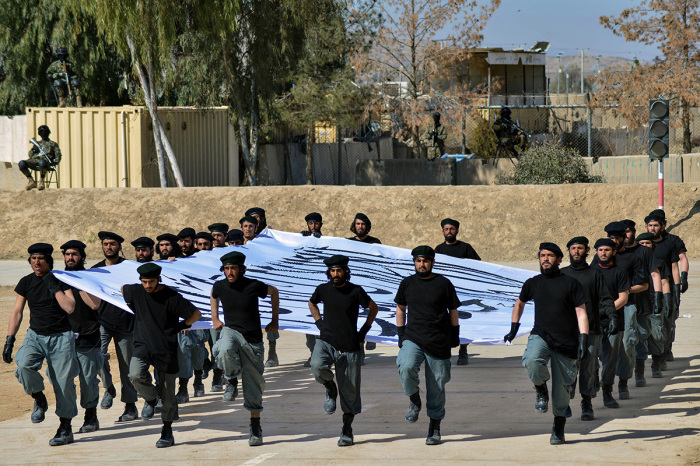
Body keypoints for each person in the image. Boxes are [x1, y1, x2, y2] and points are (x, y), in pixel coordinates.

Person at [504, 242, 588, 445]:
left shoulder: (571, 283)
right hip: (541, 334)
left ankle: (558, 427)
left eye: (550, 255)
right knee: (532, 360)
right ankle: (540, 388)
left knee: (561, 393)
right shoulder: (533, 283)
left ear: (559, 259)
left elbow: (581, 312)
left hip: (566, 340)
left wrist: (583, 338)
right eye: (542, 255)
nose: (545, 259)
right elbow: (519, 303)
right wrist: (514, 327)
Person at [4, 243, 79, 446]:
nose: (37, 262)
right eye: (33, 259)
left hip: (61, 337)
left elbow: (70, 308)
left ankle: (65, 427)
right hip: (35, 335)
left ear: (49, 260)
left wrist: (54, 286)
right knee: (24, 365)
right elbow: (17, 311)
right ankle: (39, 397)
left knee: (63, 383)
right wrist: (9, 339)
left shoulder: (61, 280)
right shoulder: (26, 282)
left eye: (41, 258)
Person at [124, 263, 201, 448]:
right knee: (134, 374)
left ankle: (167, 430)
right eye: (144, 282)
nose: (147, 285)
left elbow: (195, 314)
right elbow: (123, 289)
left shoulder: (171, 297)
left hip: (165, 347)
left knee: (168, 393)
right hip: (143, 344)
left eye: (151, 282)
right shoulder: (135, 291)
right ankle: (151, 398)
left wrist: (182, 326)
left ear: (159, 279)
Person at [210, 251, 280, 446]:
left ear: (241, 269)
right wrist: (215, 317)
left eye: (233, 268)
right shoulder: (220, 285)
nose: (230, 272)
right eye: (226, 269)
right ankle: (231, 378)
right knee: (223, 349)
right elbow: (213, 295)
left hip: (253, 341)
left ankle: (255, 425)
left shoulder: (253, 285)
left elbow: (274, 292)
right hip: (232, 331)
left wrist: (275, 320)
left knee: (253, 387)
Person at [308, 255, 378, 446]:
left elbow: (373, 308)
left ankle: (347, 429)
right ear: (328, 273)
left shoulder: (356, 291)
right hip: (326, 341)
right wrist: (319, 322)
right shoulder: (323, 289)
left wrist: (364, 330)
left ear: (346, 271)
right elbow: (311, 302)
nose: (336, 274)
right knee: (316, 366)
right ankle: (330, 387)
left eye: (339, 271)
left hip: (350, 345)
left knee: (350, 392)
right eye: (333, 271)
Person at [395, 245, 461, 445]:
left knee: (437, 386)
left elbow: (453, 311)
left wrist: (455, 335)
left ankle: (434, 426)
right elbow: (400, 308)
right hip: (413, 337)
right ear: (414, 262)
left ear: (432, 262)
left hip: (438, 340)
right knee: (405, 367)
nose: (421, 264)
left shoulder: (443, 284)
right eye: (418, 261)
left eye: (425, 261)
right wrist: (400, 333)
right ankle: (414, 398)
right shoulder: (407, 283)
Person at [560, 237, 615, 421]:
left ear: (587, 250)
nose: (576, 251)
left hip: (591, 329)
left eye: (580, 248)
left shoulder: (594, 274)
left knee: (588, 368)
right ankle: (565, 399)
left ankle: (587, 402)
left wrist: (612, 316)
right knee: (567, 367)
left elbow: (605, 298)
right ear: (568, 251)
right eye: (573, 248)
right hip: (567, 330)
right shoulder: (562, 275)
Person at [596, 221, 647, 401]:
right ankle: (603, 378)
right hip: (600, 309)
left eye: (618, 238)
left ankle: (623, 381)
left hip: (626, 306)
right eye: (612, 238)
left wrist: (624, 290)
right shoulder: (600, 257)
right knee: (602, 347)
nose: (615, 241)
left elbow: (644, 284)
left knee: (626, 345)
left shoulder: (634, 257)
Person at [91, 231, 139, 421]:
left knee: (127, 366)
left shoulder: (129, 268)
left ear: (119, 246)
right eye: (105, 244)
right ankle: (108, 388)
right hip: (102, 323)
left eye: (112, 244)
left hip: (126, 324)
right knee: (97, 358)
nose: (108, 247)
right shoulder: (96, 270)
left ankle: (130, 406)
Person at [61, 240, 104, 433]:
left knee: (87, 380)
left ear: (83, 258)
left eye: (74, 254)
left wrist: (78, 284)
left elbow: (95, 304)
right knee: (63, 380)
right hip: (63, 338)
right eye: (67, 254)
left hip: (88, 335)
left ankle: (91, 417)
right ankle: (66, 420)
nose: (70, 258)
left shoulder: (89, 278)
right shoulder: (57, 278)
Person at [621, 219, 662, 388]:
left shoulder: (644, 252)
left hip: (642, 301)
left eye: (628, 231)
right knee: (623, 340)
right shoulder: (613, 252)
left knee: (642, 336)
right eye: (622, 233)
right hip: (620, 303)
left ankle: (639, 371)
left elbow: (654, 274)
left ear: (634, 232)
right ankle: (623, 375)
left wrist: (659, 295)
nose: (625, 235)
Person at [434, 218, 481, 365]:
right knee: (442, 321)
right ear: (442, 231)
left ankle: (463, 351)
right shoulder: (439, 250)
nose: (449, 232)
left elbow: (479, 266)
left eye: (452, 229)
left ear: (457, 231)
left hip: (462, 292)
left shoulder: (466, 248)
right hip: (444, 292)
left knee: (462, 322)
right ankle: (445, 350)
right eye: (446, 229)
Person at [646, 209, 689, 364]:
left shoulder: (672, 241)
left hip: (668, 287)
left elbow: (678, 262)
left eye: (656, 225)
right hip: (649, 289)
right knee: (656, 322)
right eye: (649, 225)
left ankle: (667, 347)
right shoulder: (645, 244)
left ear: (663, 226)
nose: (652, 228)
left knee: (669, 319)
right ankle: (659, 351)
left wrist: (680, 283)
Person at [592, 238, 630, 410]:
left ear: (614, 252)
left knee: (610, 359)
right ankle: (590, 388)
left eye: (607, 250)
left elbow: (623, 298)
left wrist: (605, 312)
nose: (603, 253)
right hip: (592, 323)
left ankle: (607, 391)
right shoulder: (590, 271)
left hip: (615, 321)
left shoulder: (620, 272)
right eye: (600, 250)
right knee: (592, 357)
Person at [636, 232, 673, 378]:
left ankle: (657, 363)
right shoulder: (634, 261)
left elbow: (664, 282)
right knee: (639, 336)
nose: (644, 246)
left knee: (657, 333)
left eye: (647, 243)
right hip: (638, 303)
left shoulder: (660, 262)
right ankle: (639, 371)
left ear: (653, 245)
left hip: (654, 301)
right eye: (642, 243)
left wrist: (666, 299)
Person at [20, 125, 62, 191]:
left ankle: (41, 181)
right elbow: (30, 155)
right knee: (22, 163)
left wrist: (55, 162)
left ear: (48, 132)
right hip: (35, 160)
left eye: (45, 132)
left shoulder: (53, 144)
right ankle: (31, 181)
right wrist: (34, 150)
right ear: (39, 133)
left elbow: (58, 155)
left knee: (42, 162)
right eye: (42, 132)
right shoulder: (37, 143)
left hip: (46, 161)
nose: (44, 133)